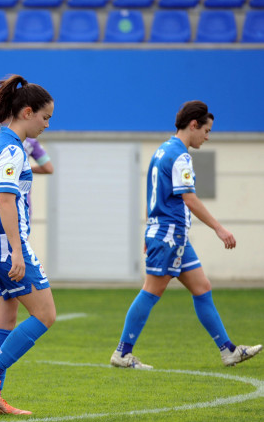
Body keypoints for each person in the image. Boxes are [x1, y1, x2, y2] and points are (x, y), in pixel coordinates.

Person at [110, 101, 261, 369]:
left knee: (202, 288)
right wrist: (219, 228)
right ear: (193, 125)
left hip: (170, 236)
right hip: (169, 236)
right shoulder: (180, 156)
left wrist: (149, 232)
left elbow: (154, 196)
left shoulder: (162, 150)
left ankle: (228, 350)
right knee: (151, 291)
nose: (208, 136)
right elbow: (188, 198)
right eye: (207, 130)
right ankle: (122, 353)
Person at [0, 74, 57, 416]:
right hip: (5, 246)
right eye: (45, 117)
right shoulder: (11, 149)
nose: (47, 125)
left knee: (2, 323)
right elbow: (6, 200)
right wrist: (18, 250)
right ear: (27, 112)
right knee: (46, 314)